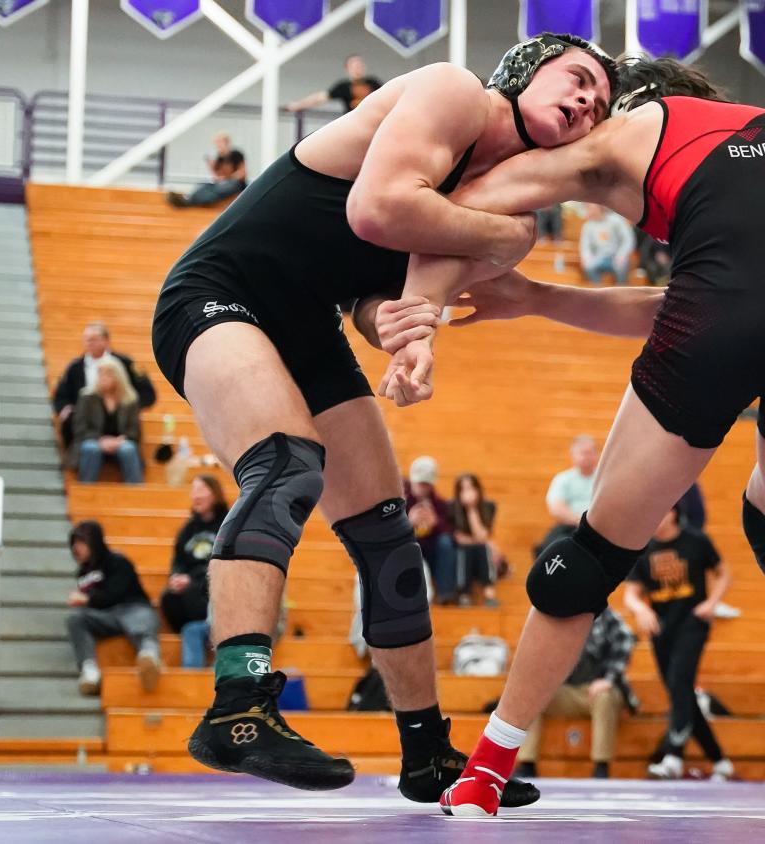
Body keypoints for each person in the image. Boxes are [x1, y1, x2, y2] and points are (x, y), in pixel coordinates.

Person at [368, 56, 765, 814]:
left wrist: (416, 316)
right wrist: (536, 298)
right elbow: (703, 296)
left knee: (590, 560)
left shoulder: (614, 138)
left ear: (633, 104)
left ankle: (487, 769)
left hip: (717, 327)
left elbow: (460, 207)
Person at [150, 31, 615, 801]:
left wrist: (401, 336)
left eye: (596, 104)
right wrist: (507, 236)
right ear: (527, 70)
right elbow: (377, 210)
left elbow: (372, 294)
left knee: (386, 532)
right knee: (286, 465)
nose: (584, 102)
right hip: (218, 292)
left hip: (305, 320)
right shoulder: (454, 92)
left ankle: (427, 750)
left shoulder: (485, 198)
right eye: (576, 80)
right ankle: (237, 706)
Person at [623, 504, 734, 780]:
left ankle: (673, 754)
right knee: (679, 691)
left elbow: (724, 572)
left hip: (692, 624)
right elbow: (631, 593)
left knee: (681, 681)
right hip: (661, 628)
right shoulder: (642, 547)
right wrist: (641, 609)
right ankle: (720, 760)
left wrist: (712, 603)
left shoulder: (696, 540)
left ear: (672, 512)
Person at [514, 607, 636, 780]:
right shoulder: (553, 617)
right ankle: (527, 763)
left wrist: (609, 679)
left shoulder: (606, 615)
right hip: (564, 690)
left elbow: (626, 639)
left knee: (605, 698)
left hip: (595, 689)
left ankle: (601, 766)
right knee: (533, 695)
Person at [64, 520, 160, 696]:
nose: (77, 548)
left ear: (94, 542)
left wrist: (87, 599)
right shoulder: (81, 574)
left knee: (143, 618)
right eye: (74, 544)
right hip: (106, 616)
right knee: (75, 618)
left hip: (132, 607)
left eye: (82, 542)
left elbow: (117, 592)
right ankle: (89, 670)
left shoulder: (117, 560)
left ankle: (148, 656)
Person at [51, 321, 155, 447]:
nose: (88, 343)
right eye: (86, 339)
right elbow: (60, 396)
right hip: (87, 422)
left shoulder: (125, 363)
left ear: (106, 340)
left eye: (93, 339)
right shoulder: (75, 367)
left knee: (129, 443)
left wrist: (131, 408)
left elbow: (147, 392)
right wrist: (65, 407)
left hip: (118, 421)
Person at [160, 475, 229, 640]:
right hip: (190, 584)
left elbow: (227, 560)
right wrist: (176, 576)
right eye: (193, 491)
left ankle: (211, 629)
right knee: (168, 597)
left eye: (200, 490)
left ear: (214, 494)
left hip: (216, 581)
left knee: (194, 591)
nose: (195, 496)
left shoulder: (228, 523)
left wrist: (192, 579)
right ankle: (194, 631)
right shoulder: (189, 528)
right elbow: (179, 559)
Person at [69, 356, 144, 484]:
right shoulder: (86, 397)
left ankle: (136, 492)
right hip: (93, 440)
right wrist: (100, 440)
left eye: (108, 374)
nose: (103, 378)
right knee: (91, 448)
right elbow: (80, 429)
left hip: (120, 443)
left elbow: (134, 431)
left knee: (128, 449)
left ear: (118, 377)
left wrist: (119, 440)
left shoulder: (130, 400)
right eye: (100, 374)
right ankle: (86, 490)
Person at [405, 456, 458, 605]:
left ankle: (445, 594)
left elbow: (451, 533)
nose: (422, 487)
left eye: (426, 484)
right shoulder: (401, 501)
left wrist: (435, 523)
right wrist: (408, 522)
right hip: (408, 549)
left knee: (446, 542)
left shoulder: (440, 504)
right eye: (420, 483)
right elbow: (390, 531)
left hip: (432, 552)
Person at [535, 434, 598, 554]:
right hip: (570, 528)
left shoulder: (605, 479)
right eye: (583, 453)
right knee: (550, 549)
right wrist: (581, 521)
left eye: (590, 453)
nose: (587, 457)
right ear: (573, 456)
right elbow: (556, 508)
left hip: (602, 530)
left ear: (597, 455)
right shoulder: (563, 479)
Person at [449, 473, 501, 606]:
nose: (468, 493)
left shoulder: (489, 506)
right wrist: (480, 541)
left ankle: (489, 593)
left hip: (480, 550)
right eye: (464, 489)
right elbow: (459, 539)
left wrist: (471, 509)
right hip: (460, 551)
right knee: (468, 549)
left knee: (483, 548)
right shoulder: (452, 508)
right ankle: (464, 593)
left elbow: (482, 536)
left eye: (471, 488)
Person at [167, 132, 248, 208]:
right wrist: (212, 168)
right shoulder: (219, 158)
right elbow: (217, 178)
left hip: (236, 184)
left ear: (227, 142)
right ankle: (188, 199)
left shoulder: (236, 154)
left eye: (220, 142)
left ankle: (188, 202)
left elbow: (242, 173)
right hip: (223, 184)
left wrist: (227, 178)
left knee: (222, 188)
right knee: (203, 186)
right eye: (217, 143)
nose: (218, 145)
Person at [286, 54, 384, 114]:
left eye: (359, 66)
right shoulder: (343, 87)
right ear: (347, 68)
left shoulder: (374, 83)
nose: (357, 69)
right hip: (352, 125)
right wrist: (298, 105)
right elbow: (320, 98)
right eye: (354, 66)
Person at [578, 203, 635, 286]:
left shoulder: (616, 221)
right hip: (599, 258)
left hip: (616, 257)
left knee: (621, 267)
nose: (588, 210)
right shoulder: (588, 226)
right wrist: (586, 257)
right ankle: (597, 291)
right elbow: (585, 246)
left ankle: (621, 291)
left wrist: (622, 255)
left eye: (590, 207)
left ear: (600, 207)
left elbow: (628, 240)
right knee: (589, 266)